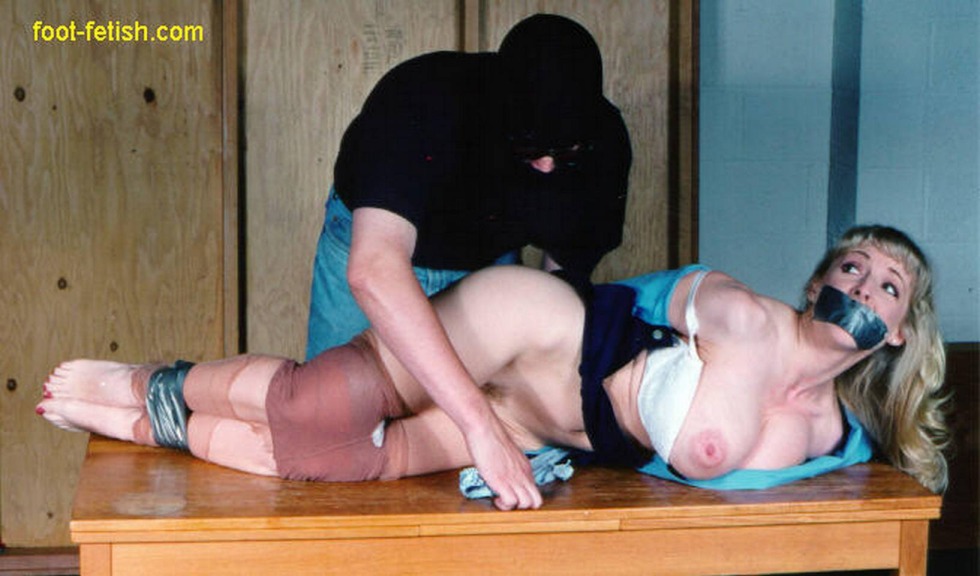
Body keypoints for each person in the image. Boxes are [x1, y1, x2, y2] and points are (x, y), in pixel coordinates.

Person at [37, 225, 949, 511]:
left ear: (900, 332)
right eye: (852, 267)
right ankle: (145, 382)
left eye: (887, 285)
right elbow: (630, 297)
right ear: (819, 280)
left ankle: (146, 422)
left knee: (334, 461)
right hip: (535, 334)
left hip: (540, 430)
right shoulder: (742, 315)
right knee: (320, 405)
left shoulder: (835, 440)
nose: (861, 287)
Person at [304, 13, 631, 508]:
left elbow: (562, 285)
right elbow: (375, 270)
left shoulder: (602, 140)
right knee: (324, 430)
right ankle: (175, 396)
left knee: (460, 462)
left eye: (564, 152)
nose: (548, 166)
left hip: (488, 265)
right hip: (379, 252)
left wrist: (539, 409)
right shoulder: (424, 100)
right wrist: (480, 423)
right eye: (531, 148)